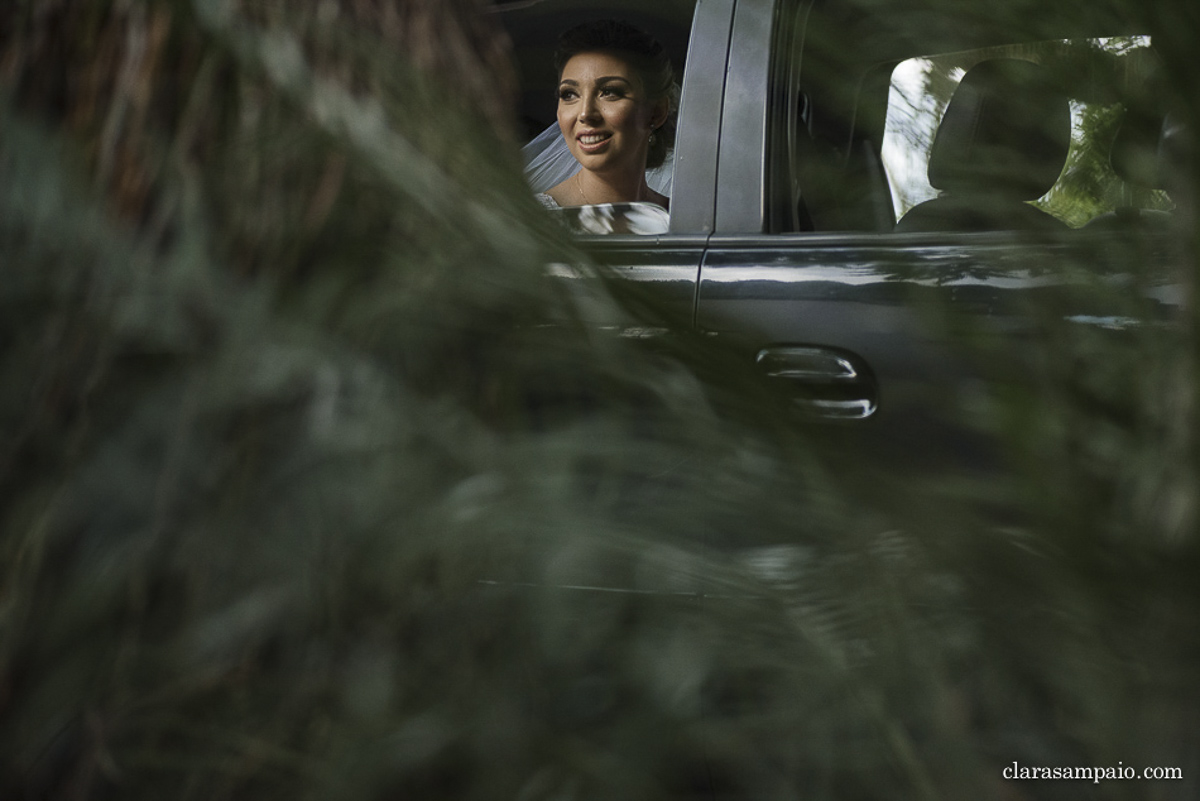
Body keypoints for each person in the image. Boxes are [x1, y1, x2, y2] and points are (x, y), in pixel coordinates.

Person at [531, 20, 676, 211]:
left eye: (610, 92)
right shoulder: (535, 219)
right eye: (569, 94)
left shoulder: (682, 219)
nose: (585, 114)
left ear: (657, 112)